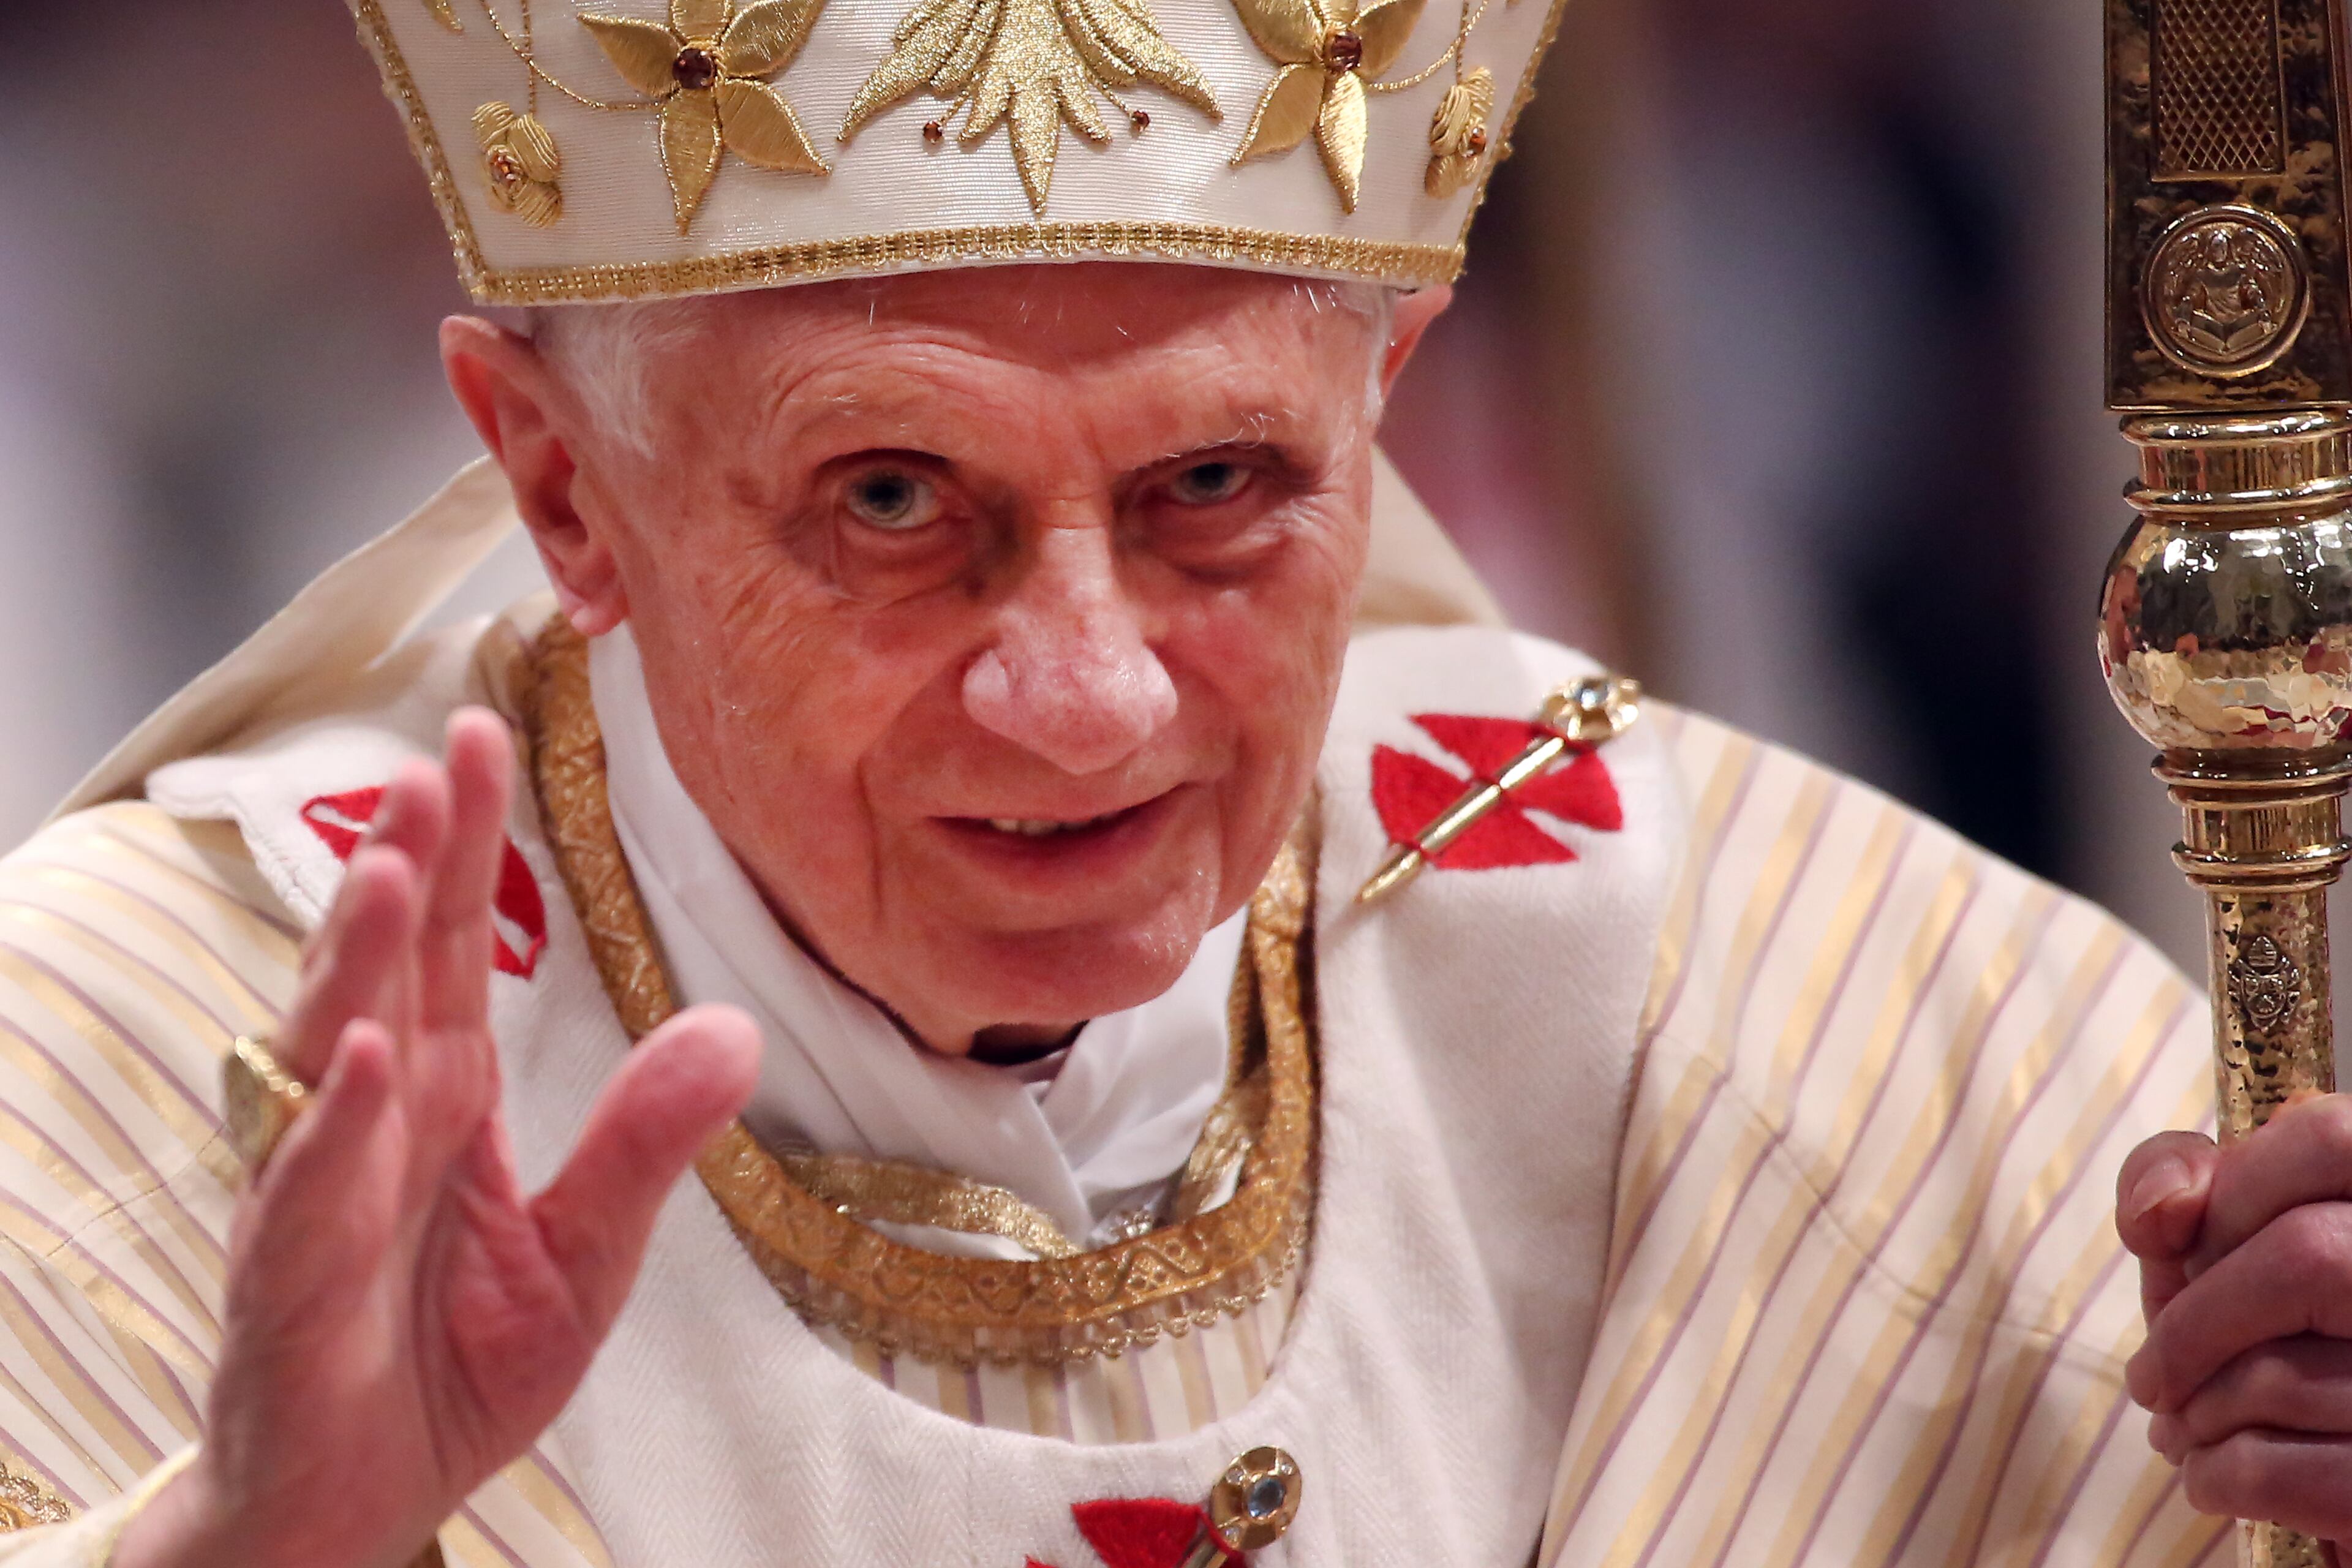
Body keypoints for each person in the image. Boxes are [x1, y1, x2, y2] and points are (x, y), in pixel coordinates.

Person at [0, 2, 2339, 1565]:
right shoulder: (107, 1107)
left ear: (1394, 390)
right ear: (557, 481)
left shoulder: (1863, 1045)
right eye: (897, 504)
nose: (1090, 701)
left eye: (1223, 483)